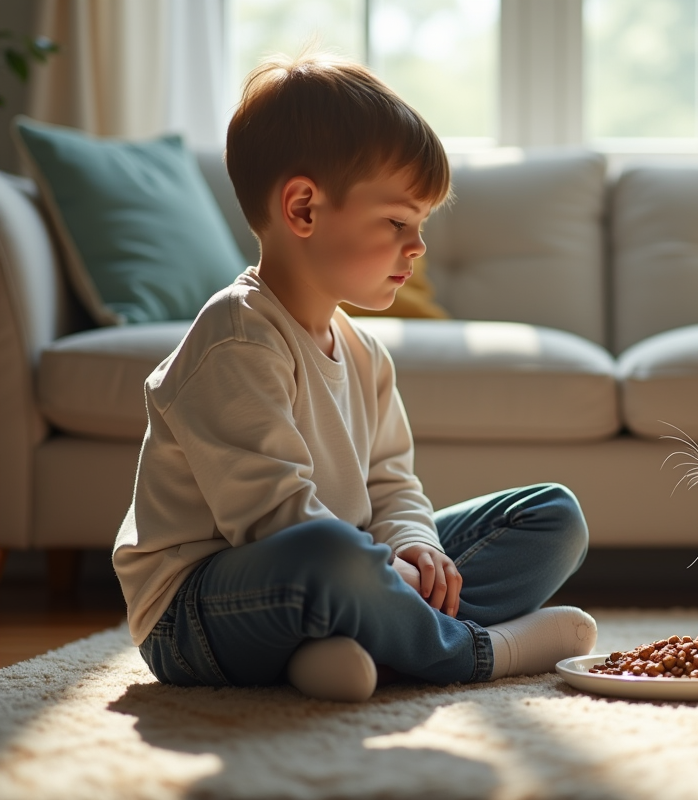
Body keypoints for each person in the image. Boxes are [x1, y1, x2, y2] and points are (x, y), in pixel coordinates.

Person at [112, 51, 597, 702]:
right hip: (199, 611)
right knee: (330, 559)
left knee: (551, 515)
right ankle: (472, 652)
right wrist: (379, 568)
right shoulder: (235, 336)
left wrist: (417, 547)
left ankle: (356, 648)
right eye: (398, 222)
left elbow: (392, 485)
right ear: (305, 209)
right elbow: (272, 517)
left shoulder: (366, 353)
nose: (418, 246)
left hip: (349, 573)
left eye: (420, 225)